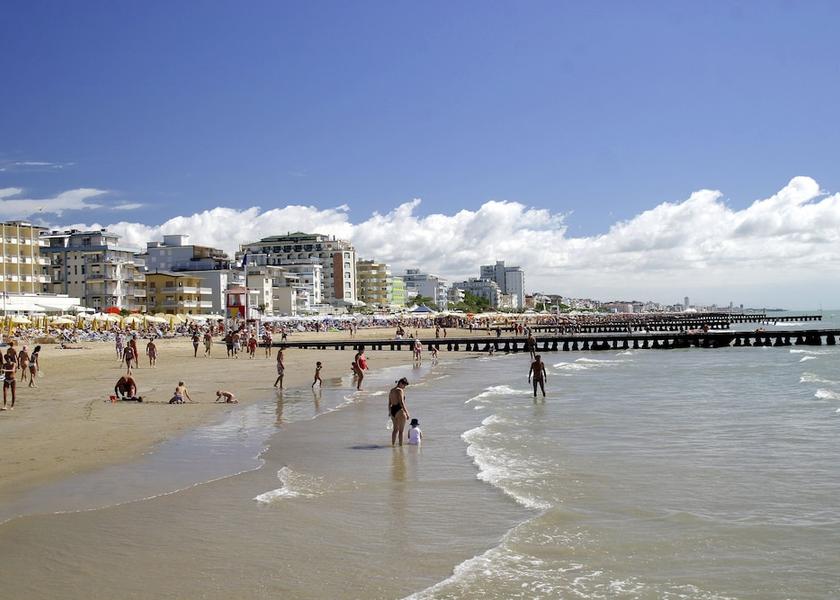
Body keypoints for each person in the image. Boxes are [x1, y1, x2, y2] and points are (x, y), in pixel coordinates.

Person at [388, 377, 410, 446]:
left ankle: (393, 445)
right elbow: (401, 402)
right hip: (400, 410)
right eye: (404, 385)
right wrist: (406, 412)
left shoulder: (391, 390)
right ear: (400, 383)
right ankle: (401, 447)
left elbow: (389, 403)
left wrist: (389, 412)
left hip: (392, 411)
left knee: (395, 430)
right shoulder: (400, 390)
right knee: (401, 431)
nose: (404, 387)